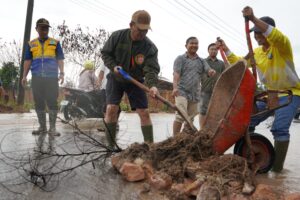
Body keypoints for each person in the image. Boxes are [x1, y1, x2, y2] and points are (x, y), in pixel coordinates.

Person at [217, 6, 300, 172]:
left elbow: (276, 35)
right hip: (270, 95)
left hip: (290, 94)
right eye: (254, 33)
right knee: (247, 121)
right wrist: (225, 49)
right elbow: (240, 63)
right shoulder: (257, 53)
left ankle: (277, 171)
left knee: (280, 128)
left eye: (259, 32)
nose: (256, 37)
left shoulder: (282, 47)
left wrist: (253, 18)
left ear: (268, 32)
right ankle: (247, 157)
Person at [101, 10, 160, 148]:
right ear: (131, 25)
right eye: (140, 30)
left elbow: (151, 69)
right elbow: (105, 54)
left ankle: (150, 146)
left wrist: (152, 85)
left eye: (146, 31)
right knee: (111, 109)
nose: (143, 34)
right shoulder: (117, 36)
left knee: (144, 112)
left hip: (136, 81)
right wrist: (113, 66)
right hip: (116, 78)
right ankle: (110, 146)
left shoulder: (149, 47)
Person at [22, 18, 65, 136]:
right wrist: (24, 76)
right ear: (37, 29)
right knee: (38, 102)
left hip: (51, 78)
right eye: (42, 28)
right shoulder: (31, 44)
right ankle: (42, 127)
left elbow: (60, 59)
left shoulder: (55, 43)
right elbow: (27, 60)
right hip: (36, 78)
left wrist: (62, 73)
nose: (44, 30)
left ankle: (52, 128)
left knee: (52, 102)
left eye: (46, 28)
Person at [172, 37, 215, 135]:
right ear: (186, 45)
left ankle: (184, 139)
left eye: (196, 44)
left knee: (190, 118)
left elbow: (208, 70)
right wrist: (174, 88)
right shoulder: (180, 59)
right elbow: (176, 75)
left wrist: (211, 71)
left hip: (195, 94)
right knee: (180, 115)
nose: (194, 45)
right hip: (181, 91)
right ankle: (174, 138)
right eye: (191, 43)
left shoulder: (201, 61)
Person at [199, 43, 226, 129]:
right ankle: (202, 130)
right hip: (205, 90)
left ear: (217, 51)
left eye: (215, 49)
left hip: (218, 91)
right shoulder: (203, 62)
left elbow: (224, 76)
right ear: (208, 50)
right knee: (203, 111)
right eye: (211, 49)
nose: (213, 51)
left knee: (216, 111)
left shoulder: (221, 63)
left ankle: (213, 129)